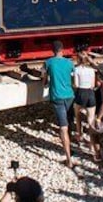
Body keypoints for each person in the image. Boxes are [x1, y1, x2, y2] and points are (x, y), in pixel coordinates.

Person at [43, 40, 75, 169]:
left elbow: (44, 79)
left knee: (63, 127)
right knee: (70, 122)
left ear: (52, 50)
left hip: (57, 97)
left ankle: (68, 159)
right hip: (70, 95)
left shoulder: (48, 62)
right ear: (63, 50)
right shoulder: (70, 62)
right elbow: (74, 77)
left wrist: (45, 82)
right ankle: (72, 148)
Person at [72, 52, 97, 152]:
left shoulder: (76, 70)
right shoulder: (92, 70)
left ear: (78, 60)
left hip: (80, 93)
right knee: (91, 120)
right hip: (90, 94)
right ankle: (92, 144)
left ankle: (80, 135)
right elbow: (92, 85)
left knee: (78, 116)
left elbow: (76, 84)